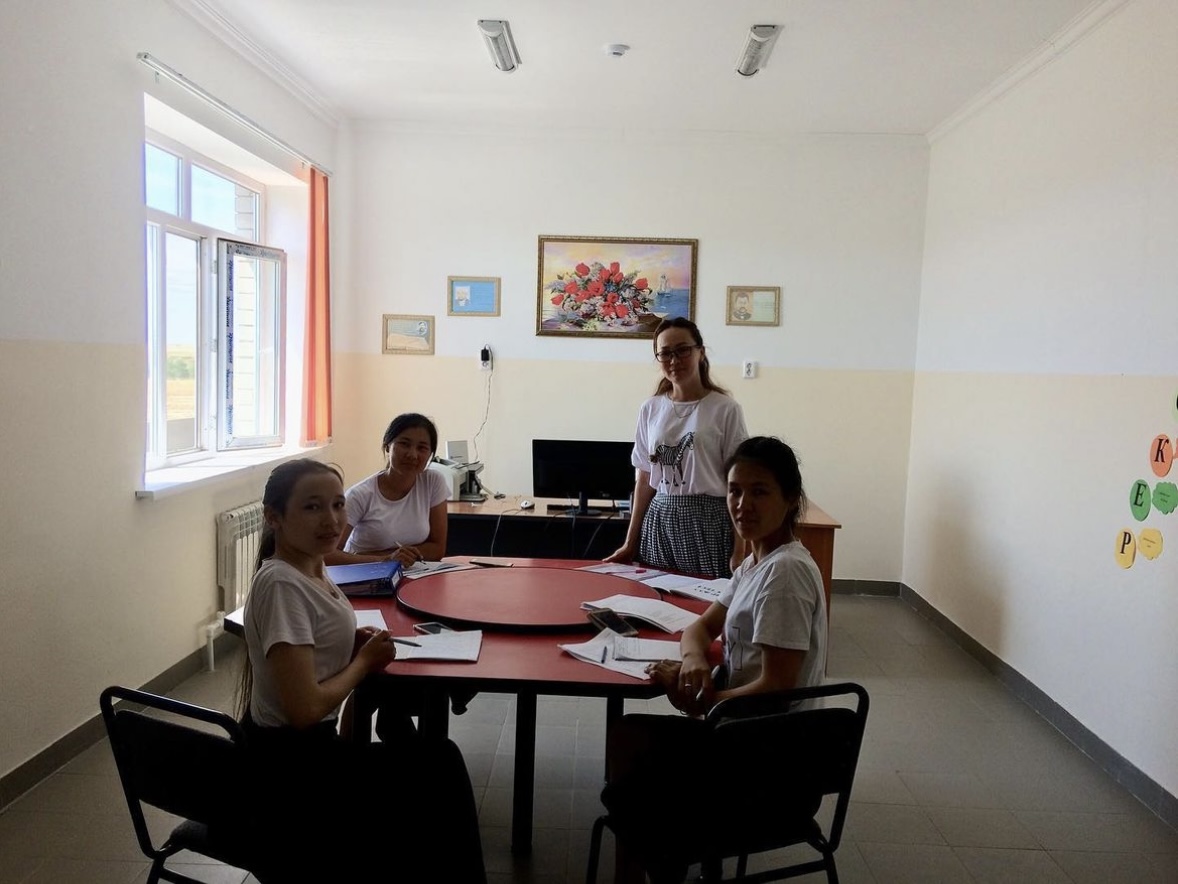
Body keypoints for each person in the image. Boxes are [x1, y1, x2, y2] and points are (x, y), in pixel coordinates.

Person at [238, 459, 486, 882]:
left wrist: (349, 641)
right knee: (440, 770)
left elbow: (311, 639)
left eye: (338, 505)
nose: (332, 520)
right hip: (291, 770)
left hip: (302, 752)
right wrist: (362, 662)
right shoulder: (282, 584)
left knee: (438, 765)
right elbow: (303, 710)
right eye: (312, 507)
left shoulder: (312, 568)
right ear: (273, 517)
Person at [602, 436, 828, 883]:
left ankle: (667, 853)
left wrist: (705, 701)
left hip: (771, 754)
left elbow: (777, 688)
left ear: (790, 500)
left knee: (634, 765)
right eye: (734, 491)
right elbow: (698, 629)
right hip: (742, 733)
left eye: (759, 492)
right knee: (630, 741)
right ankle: (669, 857)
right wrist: (694, 664)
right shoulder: (755, 564)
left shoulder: (785, 574)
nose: (742, 505)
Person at [606, 317, 748, 578]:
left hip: (710, 523)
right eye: (665, 353)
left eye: (683, 350)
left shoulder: (725, 409)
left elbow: (738, 483)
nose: (674, 360)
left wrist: (740, 550)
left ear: (700, 352)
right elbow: (645, 479)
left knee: (706, 598)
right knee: (657, 596)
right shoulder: (650, 408)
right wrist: (629, 542)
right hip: (660, 521)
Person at [326, 412, 448, 567]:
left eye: (422, 448)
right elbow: (327, 554)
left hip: (413, 573)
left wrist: (396, 557)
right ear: (387, 446)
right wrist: (385, 559)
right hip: (364, 574)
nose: (412, 454)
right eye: (404, 444)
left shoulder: (433, 481)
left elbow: (437, 549)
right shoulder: (359, 495)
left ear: (430, 454)